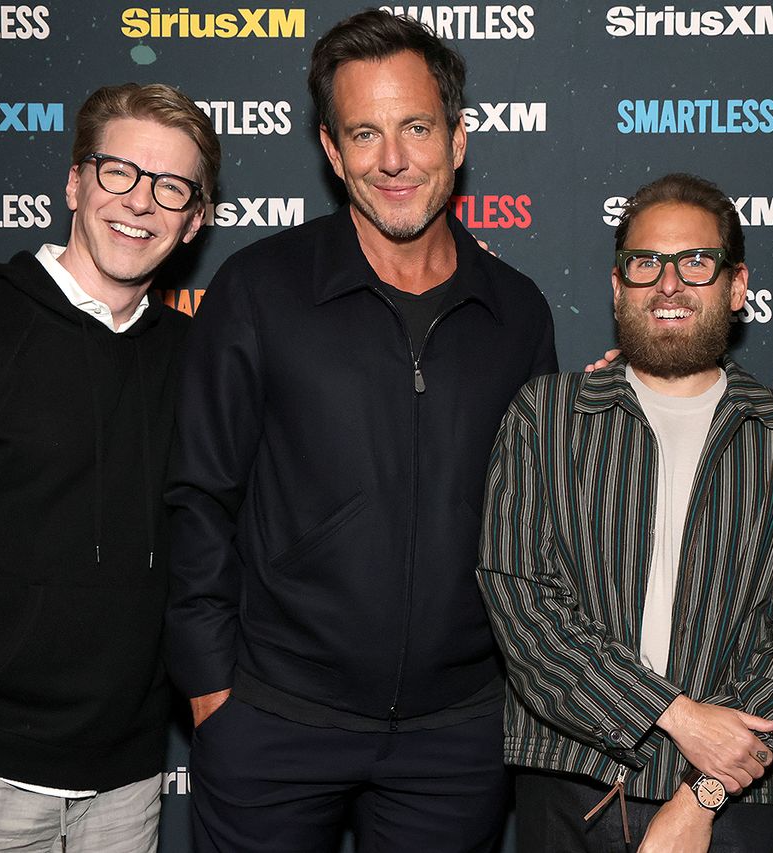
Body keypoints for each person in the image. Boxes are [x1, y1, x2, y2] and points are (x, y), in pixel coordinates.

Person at [165, 10, 557, 852]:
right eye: (364, 133)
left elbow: (538, 518)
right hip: (272, 718)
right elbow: (198, 496)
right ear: (332, 151)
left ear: (457, 137)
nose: (393, 159)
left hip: (456, 735)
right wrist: (211, 693)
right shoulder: (260, 289)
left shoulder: (517, 312)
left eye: (416, 127)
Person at [0, 82, 220, 853]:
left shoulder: (195, 363)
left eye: (171, 186)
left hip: (123, 795)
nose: (140, 201)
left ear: (194, 220)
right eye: (118, 171)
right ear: (74, 182)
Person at [478, 173, 773, 852]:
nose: (668, 283)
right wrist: (675, 714)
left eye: (696, 262)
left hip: (729, 793)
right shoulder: (546, 416)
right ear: (618, 286)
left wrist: (702, 793)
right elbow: (522, 605)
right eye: (645, 262)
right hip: (570, 779)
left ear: (737, 287)